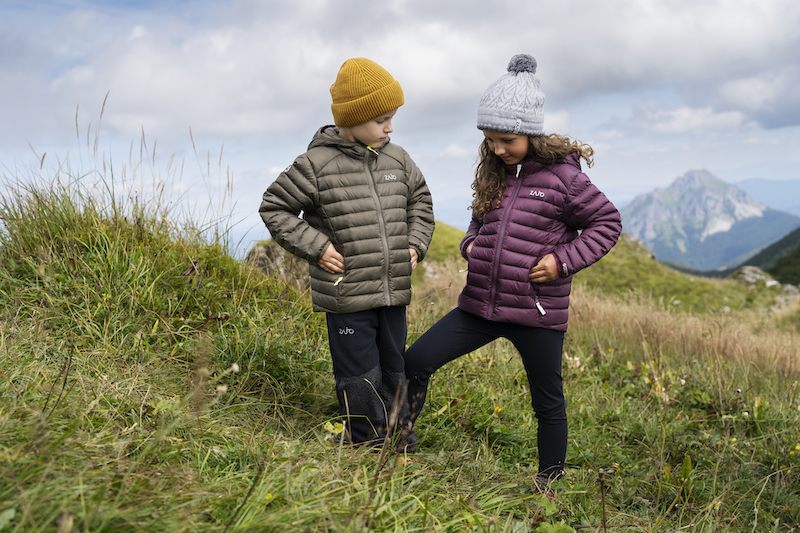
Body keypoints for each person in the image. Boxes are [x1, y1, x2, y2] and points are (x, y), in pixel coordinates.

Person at [403, 54, 621, 486]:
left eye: (506, 139)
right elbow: (478, 218)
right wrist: (471, 243)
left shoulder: (565, 179)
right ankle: (397, 441)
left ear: (531, 133)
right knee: (416, 361)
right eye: (490, 140)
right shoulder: (495, 172)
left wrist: (561, 261)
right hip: (478, 306)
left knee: (547, 402)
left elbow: (607, 224)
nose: (498, 149)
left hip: (536, 313)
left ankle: (548, 483)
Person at [259, 57, 435, 451]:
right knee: (358, 371)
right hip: (346, 293)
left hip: (392, 290)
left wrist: (415, 243)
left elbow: (420, 201)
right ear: (351, 119)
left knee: (394, 364)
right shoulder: (315, 165)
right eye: (382, 119)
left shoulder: (398, 157)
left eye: (392, 118)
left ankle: (399, 432)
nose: (390, 127)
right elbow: (274, 207)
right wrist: (318, 248)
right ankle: (365, 439)